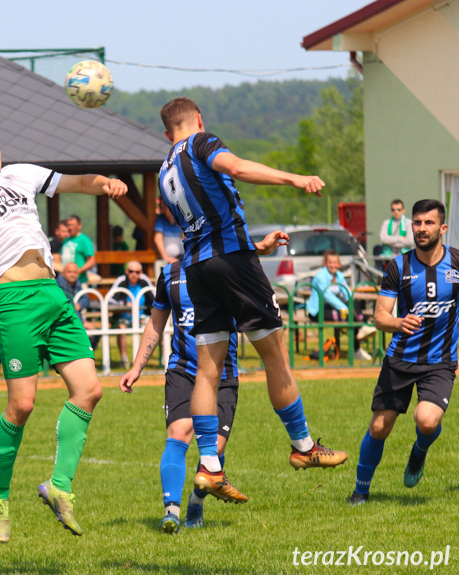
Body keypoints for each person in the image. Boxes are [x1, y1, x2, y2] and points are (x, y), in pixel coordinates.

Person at [157, 97, 347, 503]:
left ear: (166, 131)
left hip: (198, 270)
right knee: (274, 355)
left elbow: (204, 226)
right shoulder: (201, 143)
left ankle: (210, 466)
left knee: (208, 369)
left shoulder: (164, 170)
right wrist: (296, 179)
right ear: (198, 120)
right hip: (231, 263)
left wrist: (253, 246)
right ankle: (304, 447)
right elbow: (238, 168)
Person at [0, 127, 127, 543]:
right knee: (23, 404)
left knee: (90, 390)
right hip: (14, 298)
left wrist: (104, 184)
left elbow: (77, 182)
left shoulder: (23, 173)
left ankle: (59, 486)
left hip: (52, 292)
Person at [118, 232, 286, 533]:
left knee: (214, 450)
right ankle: (171, 511)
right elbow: (157, 322)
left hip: (222, 374)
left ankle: (196, 502)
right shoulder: (169, 274)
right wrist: (136, 367)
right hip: (183, 370)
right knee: (179, 432)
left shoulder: (229, 270)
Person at [348, 199, 457, 505]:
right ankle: (361, 490)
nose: (422, 229)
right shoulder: (398, 266)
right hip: (400, 359)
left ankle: (419, 452)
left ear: (443, 228)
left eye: (429, 223)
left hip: (440, 362)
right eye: (417, 223)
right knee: (380, 426)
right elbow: (380, 317)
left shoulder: (457, 264)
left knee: (427, 421)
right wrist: (398, 321)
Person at [305, 250, 377, 362]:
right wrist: (344, 308)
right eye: (330, 262)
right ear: (325, 263)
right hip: (318, 311)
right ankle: (360, 336)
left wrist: (350, 304)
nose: (333, 265)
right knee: (346, 315)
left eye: (335, 262)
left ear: (339, 264)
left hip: (333, 308)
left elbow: (347, 293)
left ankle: (361, 329)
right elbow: (328, 296)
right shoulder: (320, 277)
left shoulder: (339, 275)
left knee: (353, 303)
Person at [108, 261, 154, 368]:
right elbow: (110, 299)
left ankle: (164, 359)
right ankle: (124, 359)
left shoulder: (144, 280)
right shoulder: (121, 280)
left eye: (137, 272)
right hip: (124, 318)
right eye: (131, 271)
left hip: (142, 317)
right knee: (121, 328)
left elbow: (154, 297)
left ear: (141, 272)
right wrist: (125, 304)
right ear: (126, 271)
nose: (134, 274)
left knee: (160, 328)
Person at [61, 215, 96, 284]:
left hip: (79, 282)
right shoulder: (66, 240)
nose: (70, 227)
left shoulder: (84, 240)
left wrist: (77, 271)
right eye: (68, 225)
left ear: (79, 225)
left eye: (73, 225)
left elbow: (91, 261)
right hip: (65, 282)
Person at [154, 199, 184, 263]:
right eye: (170, 208)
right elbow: (157, 239)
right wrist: (166, 258)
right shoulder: (161, 219)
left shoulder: (180, 220)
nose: (172, 211)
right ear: (165, 209)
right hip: (167, 260)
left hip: (181, 257)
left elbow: (185, 236)